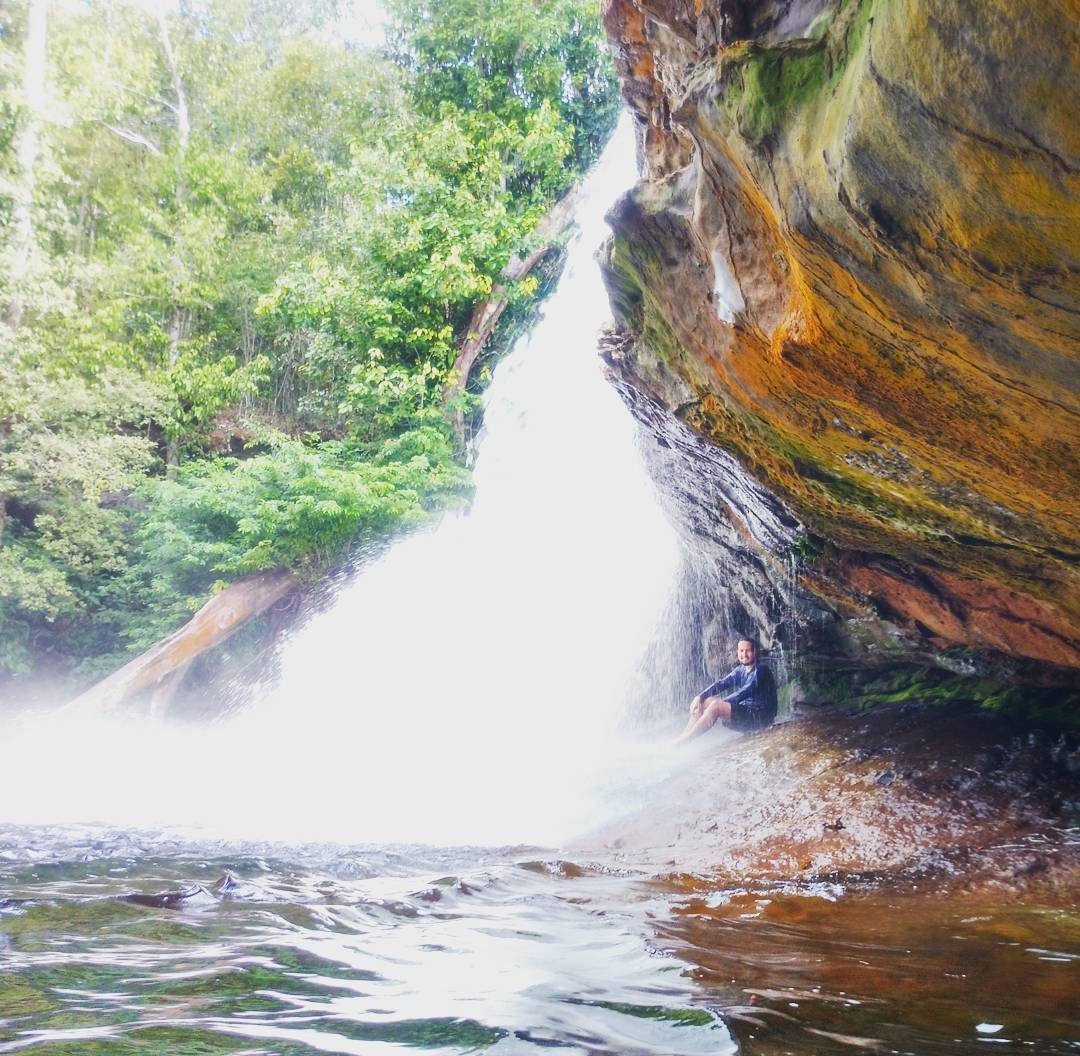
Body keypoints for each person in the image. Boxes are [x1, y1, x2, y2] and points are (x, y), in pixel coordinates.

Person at [675, 637, 777, 743]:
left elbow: (745, 692)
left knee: (716, 705)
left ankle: (687, 739)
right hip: (747, 713)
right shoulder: (740, 670)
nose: (744, 654)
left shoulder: (761, 670)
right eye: (741, 651)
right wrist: (699, 696)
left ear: (755, 651)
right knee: (705, 701)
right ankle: (684, 735)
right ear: (737, 652)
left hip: (761, 717)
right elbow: (721, 684)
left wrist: (719, 704)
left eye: (748, 651)